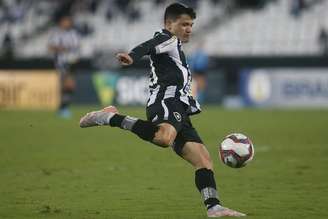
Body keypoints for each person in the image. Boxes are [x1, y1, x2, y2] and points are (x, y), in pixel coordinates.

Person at [80, 3, 245, 217]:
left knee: (203, 159)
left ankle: (214, 207)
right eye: (184, 24)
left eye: (191, 25)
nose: (189, 29)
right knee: (164, 138)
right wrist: (132, 55)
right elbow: (149, 44)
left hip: (181, 108)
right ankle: (110, 117)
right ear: (169, 24)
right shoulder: (168, 38)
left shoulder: (175, 46)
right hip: (166, 101)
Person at [48, 15, 80, 118]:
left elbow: (77, 46)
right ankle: (63, 109)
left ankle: (63, 108)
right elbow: (51, 47)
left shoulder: (73, 33)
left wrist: (72, 51)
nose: (67, 23)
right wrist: (63, 48)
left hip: (72, 62)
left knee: (70, 86)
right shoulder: (57, 33)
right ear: (61, 22)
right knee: (67, 84)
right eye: (65, 21)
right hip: (62, 63)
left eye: (68, 21)